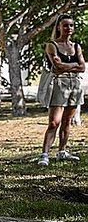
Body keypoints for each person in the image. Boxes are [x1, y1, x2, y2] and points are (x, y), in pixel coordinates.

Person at [39, 14, 85, 165]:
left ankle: (62, 151)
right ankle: (45, 154)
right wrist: (74, 66)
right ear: (58, 27)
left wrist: (68, 67)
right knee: (54, 122)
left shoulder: (76, 46)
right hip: (59, 84)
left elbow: (83, 67)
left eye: (71, 25)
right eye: (65, 25)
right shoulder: (52, 45)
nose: (68, 28)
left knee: (67, 121)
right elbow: (57, 66)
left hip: (75, 86)